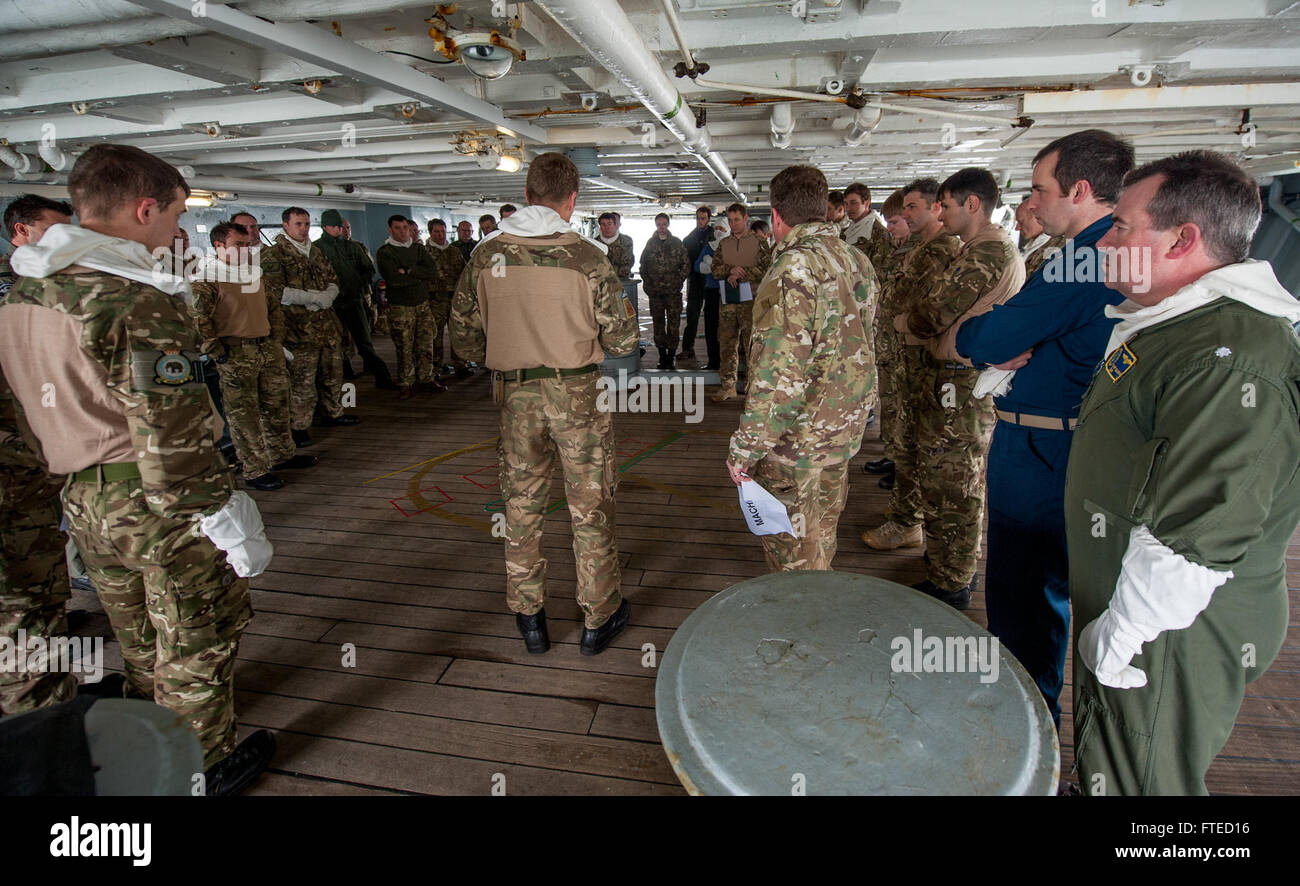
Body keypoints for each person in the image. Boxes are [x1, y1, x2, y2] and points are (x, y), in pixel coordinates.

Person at [0, 143, 274, 794]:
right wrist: (229, 518)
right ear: (144, 208)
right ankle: (196, 771)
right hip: (156, 501)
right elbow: (171, 433)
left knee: (141, 634)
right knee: (197, 636)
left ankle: (154, 733)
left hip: (84, 500)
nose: (170, 235)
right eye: (170, 217)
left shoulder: (24, 293)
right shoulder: (132, 298)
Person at [1064, 150, 1300, 795]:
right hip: (1135, 594)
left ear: (1182, 239)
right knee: (1114, 747)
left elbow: (1208, 518)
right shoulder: (1179, 328)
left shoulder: (1228, 356)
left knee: (1148, 774)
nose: (1104, 241)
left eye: (1121, 226)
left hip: (1174, 620)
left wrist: (1134, 625)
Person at [953, 129, 1134, 728]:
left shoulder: (1085, 257)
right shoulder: (1115, 251)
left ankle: (1026, 727)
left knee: (1024, 592)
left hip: (1041, 445)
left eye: (1040, 189)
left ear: (1079, 190)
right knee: (1050, 589)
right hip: (1078, 438)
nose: (1033, 202)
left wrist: (981, 335)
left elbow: (986, 337)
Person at [451, 152, 639, 657]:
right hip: (577, 394)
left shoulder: (485, 257)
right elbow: (623, 340)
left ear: (528, 195)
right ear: (571, 200)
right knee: (590, 506)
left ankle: (530, 617)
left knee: (522, 507)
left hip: (516, 398)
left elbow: (464, 342)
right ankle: (598, 617)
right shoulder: (588, 257)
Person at [726, 165, 878, 572]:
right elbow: (865, 342)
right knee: (821, 537)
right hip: (841, 431)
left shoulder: (792, 268)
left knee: (792, 554)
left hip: (797, 442)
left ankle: (802, 628)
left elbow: (777, 376)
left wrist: (745, 449)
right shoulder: (857, 260)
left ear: (776, 216)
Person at [893, 168, 1025, 609]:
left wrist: (906, 322)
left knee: (953, 484)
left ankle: (952, 583)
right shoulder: (979, 248)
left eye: (945, 206)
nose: (940, 214)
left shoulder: (986, 252)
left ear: (972, 205)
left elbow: (930, 312)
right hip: (952, 381)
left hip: (961, 386)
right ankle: (946, 567)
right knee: (944, 479)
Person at [0, 193, 78, 715]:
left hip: (31, 479)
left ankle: (51, 697)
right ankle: (41, 723)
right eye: (54, 232)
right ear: (21, 234)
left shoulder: (44, 293)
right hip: (12, 478)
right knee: (20, 607)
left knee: (42, 597)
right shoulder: (18, 298)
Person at [190, 221, 318, 491]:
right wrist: (217, 352)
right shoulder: (207, 278)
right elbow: (200, 321)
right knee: (244, 416)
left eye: (248, 244)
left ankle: (281, 455)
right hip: (236, 353)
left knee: (276, 405)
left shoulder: (252, 274)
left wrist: (274, 338)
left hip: (266, 348)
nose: (246, 250)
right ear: (219, 246)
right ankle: (254, 468)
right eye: (239, 244)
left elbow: (272, 307)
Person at [262, 207, 359, 447]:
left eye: (306, 223)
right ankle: (299, 426)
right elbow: (277, 292)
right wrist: (314, 298)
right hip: (298, 329)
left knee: (333, 373)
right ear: (286, 225)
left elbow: (333, 279)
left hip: (326, 324)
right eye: (298, 224)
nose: (304, 228)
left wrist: (328, 296)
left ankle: (334, 412)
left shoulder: (315, 252)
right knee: (302, 381)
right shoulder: (274, 255)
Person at [859, 188, 918, 488]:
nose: (889, 228)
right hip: (885, 339)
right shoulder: (891, 247)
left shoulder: (919, 253)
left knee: (903, 404)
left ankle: (902, 465)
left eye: (895, 222)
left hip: (905, 343)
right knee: (890, 401)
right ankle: (892, 453)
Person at [315, 209, 396, 390]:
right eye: (335, 226)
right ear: (325, 227)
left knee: (364, 341)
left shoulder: (353, 247)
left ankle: (382, 377)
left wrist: (357, 284)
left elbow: (367, 269)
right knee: (335, 343)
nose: (339, 230)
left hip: (354, 300)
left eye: (341, 226)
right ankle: (343, 376)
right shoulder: (316, 249)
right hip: (331, 305)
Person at [376, 214, 445, 400]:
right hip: (401, 306)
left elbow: (432, 272)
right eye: (397, 228)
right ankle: (406, 381)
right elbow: (394, 280)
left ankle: (426, 378)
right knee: (404, 346)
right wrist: (417, 275)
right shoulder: (386, 252)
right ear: (390, 230)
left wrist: (408, 270)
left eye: (405, 227)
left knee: (426, 342)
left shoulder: (417, 249)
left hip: (422, 304)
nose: (402, 231)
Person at [711, 202, 773, 400]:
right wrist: (730, 271)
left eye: (736, 219)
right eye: (730, 220)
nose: (733, 223)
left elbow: (767, 269)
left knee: (752, 345)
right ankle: (728, 385)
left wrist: (742, 273)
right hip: (728, 301)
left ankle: (753, 388)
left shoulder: (759, 242)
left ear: (746, 219)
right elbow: (715, 269)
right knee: (727, 343)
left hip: (751, 301)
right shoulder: (724, 244)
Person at [638, 213, 690, 371]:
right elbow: (643, 267)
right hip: (656, 294)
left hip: (673, 293)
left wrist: (677, 281)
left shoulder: (676, 243)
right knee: (658, 325)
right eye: (659, 224)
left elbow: (686, 265)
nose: (662, 227)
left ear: (668, 224)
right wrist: (648, 285)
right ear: (656, 225)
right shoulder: (650, 244)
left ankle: (672, 355)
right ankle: (662, 356)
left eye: (664, 224)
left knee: (674, 325)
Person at [425, 218, 472, 377]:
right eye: (437, 232)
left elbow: (464, 272)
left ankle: (460, 364)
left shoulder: (453, 251)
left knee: (457, 333)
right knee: (435, 335)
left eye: (443, 231)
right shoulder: (425, 252)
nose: (440, 235)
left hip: (454, 298)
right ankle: (436, 368)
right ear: (430, 232)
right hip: (435, 299)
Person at [681, 205, 717, 366]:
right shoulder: (689, 239)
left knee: (713, 319)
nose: (700, 221)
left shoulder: (716, 237)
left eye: (703, 218)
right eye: (698, 218)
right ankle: (688, 348)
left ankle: (716, 355)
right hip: (695, 280)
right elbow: (685, 260)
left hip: (712, 282)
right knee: (692, 315)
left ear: (708, 219)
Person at [1015, 200, 1066, 279]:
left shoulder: (1058, 248)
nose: (1017, 228)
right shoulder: (1035, 246)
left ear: (1037, 217)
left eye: (1021, 222)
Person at [842, 182, 887, 250]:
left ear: (867, 204)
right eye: (846, 204)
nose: (848, 208)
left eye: (853, 203)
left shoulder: (878, 234)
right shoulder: (845, 232)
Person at [597, 212, 634, 282]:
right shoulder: (594, 243)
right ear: (600, 227)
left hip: (622, 282)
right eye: (603, 224)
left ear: (615, 225)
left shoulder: (626, 241)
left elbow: (626, 264)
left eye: (609, 224)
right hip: (600, 282)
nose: (606, 227)